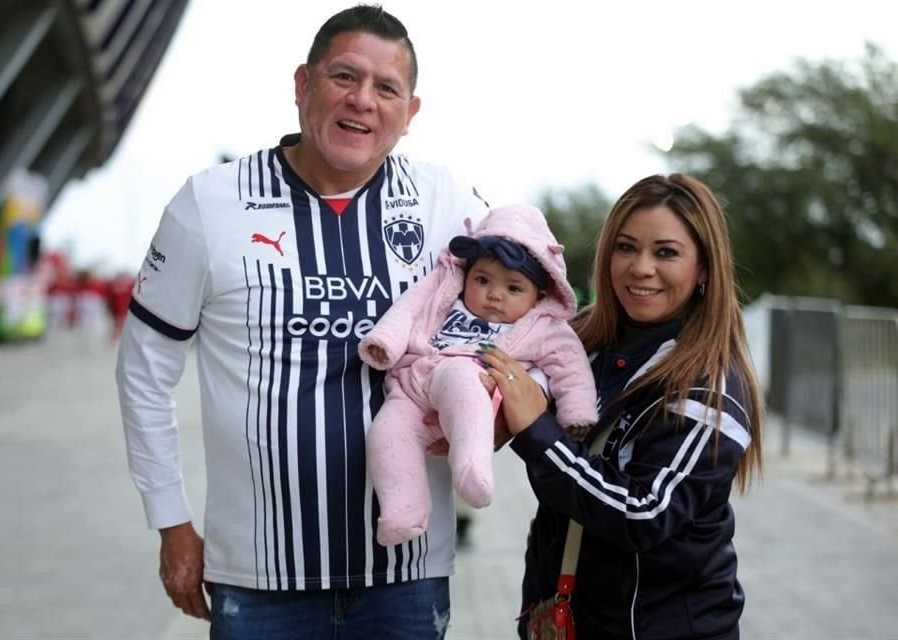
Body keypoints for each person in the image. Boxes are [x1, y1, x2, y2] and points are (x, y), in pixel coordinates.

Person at [115, 5, 490, 639]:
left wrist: (490, 419)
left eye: (386, 87)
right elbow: (144, 372)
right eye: (344, 76)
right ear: (302, 84)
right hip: (259, 579)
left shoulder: (446, 202)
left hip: (406, 574)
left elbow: (513, 322)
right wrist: (171, 520)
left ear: (410, 112)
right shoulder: (210, 204)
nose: (363, 100)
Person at [477, 174, 764, 639]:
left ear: (705, 268)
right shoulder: (578, 342)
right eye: (626, 248)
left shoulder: (711, 387)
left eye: (666, 252)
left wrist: (538, 433)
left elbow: (642, 513)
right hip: (560, 619)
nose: (640, 268)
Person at [359, 204, 598, 547]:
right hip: (413, 387)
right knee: (386, 433)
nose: (494, 295)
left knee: (462, 380)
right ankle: (403, 511)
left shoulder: (543, 327)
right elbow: (407, 311)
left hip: (468, 377)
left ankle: (472, 469)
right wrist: (386, 342)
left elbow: (570, 367)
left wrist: (577, 413)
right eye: (482, 280)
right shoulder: (444, 292)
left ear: (539, 295)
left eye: (513, 288)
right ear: (466, 275)